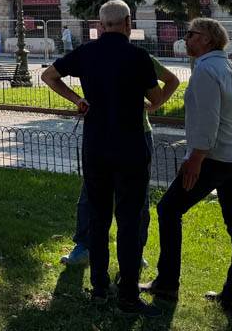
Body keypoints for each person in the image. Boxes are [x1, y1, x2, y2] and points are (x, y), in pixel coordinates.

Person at [41, 0, 165, 315]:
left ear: (100, 25)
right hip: (131, 145)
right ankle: (128, 295)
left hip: (95, 145)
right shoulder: (139, 57)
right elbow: (155, 97)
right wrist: (148, 102)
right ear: (128, 23)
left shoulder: (85, 53)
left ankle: (98, 288)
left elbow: (49, 75)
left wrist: (78, 100)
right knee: (129, 219)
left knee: (98, 217)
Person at [143, 17, 232, 314]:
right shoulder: (230, 68)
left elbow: (207, 119)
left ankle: (167, 283)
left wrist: (195, 159)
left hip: (213, 158)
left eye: (191, 34)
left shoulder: (205, 70)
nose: (186, 38)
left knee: (168, 209)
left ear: (206, 38)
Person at [61, 48, 179, 268]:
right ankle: (85, 246)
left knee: (137, 196)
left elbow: (172, 80)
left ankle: (134, 250)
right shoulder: (95, 55)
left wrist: (155, 105)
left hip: (136, 133)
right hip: (103, 133)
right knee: (91, 193)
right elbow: (50, 75)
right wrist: (78, 100)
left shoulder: (140, 57)